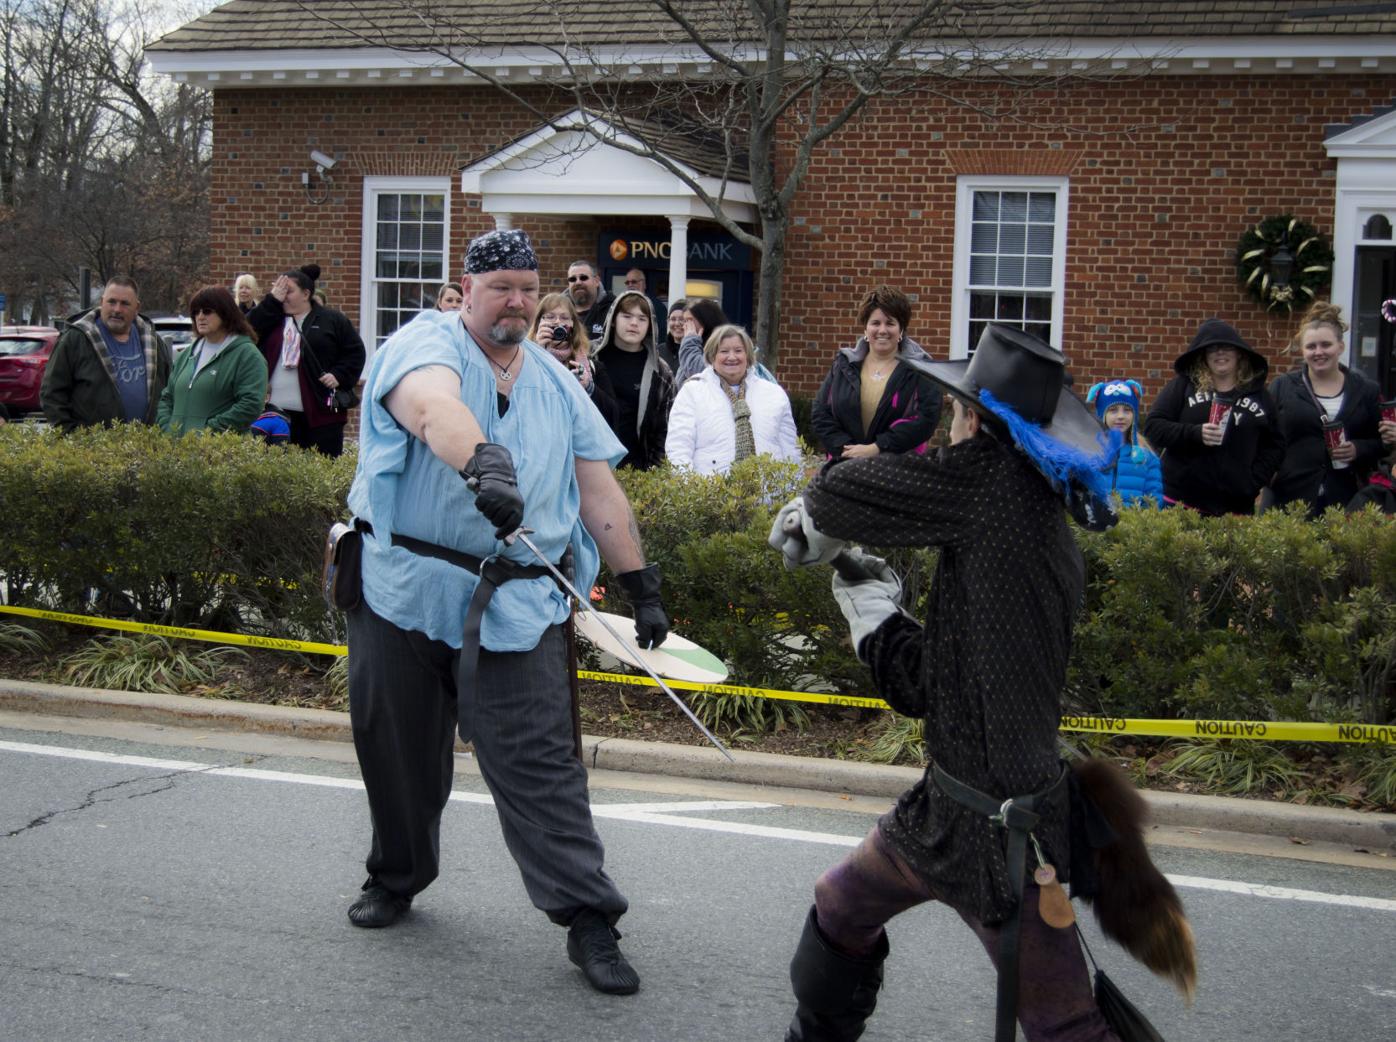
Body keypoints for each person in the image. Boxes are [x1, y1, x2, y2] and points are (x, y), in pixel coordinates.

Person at [770, 324, 1194, 1042]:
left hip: (1005, 827)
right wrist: (875, 612)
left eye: (953, 414)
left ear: (977, 420)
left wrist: (812, 519)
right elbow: (933, 685)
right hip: (945, 805)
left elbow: (842, 489)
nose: (945, 430)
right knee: (839, 905)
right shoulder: (1021, 500)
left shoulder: (990, 482)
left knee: (1063, 1022)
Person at [343, 228, 669, 997]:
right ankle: (396, 877)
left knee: (542, 767)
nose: (517, 301)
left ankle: (590, 918)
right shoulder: (423, 345)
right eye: (500, 288)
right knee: (396, 754)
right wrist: (482, 460)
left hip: (517, 607)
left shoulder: (558, 384)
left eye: (528, 287)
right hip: (404, 592)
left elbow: (597, 490)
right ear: (467, 289)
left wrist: (640, 581)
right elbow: (431, 408)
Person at [1142, 318, 1284, 515]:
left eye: (1227, 347)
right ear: (1203, 356)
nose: (1220, 352)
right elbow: (1153, 427)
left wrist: (1252, 481)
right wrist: (1195, 433)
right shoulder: (1184, 386)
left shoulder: (1259, 395)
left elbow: (1275, 444)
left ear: (1239, 354)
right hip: (1181, 503)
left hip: (1236, 508)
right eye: (1212, 348)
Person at [1268, 302, 1382, 516]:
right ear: (1302, 351)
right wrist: (1267, 475)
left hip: (1347, 502)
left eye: (1326, 345)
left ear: (1340, 346)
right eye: (1311, 347)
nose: (1318, 352)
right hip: (1289, 501)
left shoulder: (1366, 390)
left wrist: (1358, 448)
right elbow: (1263, 436)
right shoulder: (1282, 387)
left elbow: (1382, 443)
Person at [809, 286, 942, 462]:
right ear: (865, 328)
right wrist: (847, 451)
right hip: (843, 466)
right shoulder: (843, 364)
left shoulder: (922, 370)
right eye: (875, 323)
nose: (882, 330)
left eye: (890, 323)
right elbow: (820, 413)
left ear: (901, 329)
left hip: (897, 471)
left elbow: (926, 420)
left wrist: (876, 448)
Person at [246, 263, 365, 456]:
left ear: (306, 294)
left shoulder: (331, 320)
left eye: (289, 290)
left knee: (320, 470)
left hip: (320, 416)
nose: (282, 294)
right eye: (279, 289)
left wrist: (339, 374)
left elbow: (355, 352)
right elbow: (247, 328)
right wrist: (271, 301)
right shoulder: (271, 318)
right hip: (276, 414)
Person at [40, 275, 172, 431]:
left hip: (145, 448)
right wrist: (70, 436)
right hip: (92, 450)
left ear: (137, 308)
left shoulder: (154, 343)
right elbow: (51, 394)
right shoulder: (76, 339)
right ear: (102, 302)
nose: (117, 309)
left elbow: (170, 394)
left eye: (125, 304)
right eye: (112, 302)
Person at [665, 324, 800, 474]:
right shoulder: (692, 392)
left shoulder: (774, 394)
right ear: (712, 356)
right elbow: (679, 447)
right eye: (724, 351)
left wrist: (791, 490)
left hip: (768, 494)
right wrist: (688, 489)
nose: (732, 357)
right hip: (709, 493)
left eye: (738, 351)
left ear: (748, 356)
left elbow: (790, 450)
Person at [157, 287, 267, 435]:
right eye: (196, 312)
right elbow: (167, 397)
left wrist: (208, 432)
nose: (200, 316)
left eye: (207, 311)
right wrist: (168, 428)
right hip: (178, 451)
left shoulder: (247, 355)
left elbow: (251, 405)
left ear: (225, 313)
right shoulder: (186, 355)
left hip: (219, 453)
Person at [590, 290, 674, 469]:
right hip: (589, 464)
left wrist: (654, 474)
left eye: (642, 319)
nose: (634, 323)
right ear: (613, 319)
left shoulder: (660, 371)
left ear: (650, 326)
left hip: (636, 471)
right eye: (627, 316)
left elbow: (664, 430)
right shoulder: (589, 356)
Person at [529, 291, 620, 430]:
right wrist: (538, 352)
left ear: (573, 325)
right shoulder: (524, 361)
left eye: (564, 317)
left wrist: (590, 388)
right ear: (538, 324)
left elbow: (613, 415)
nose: (558, 322)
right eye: (550, 317)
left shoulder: (591, 367)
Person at [1085, 378, 1165, 507]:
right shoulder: (1087, 453)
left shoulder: (1147, 458)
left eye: (1127, 410)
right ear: (1102, 415)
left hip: (1132, 526)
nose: (1121, 416)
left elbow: (1154, 502)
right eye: (1113, 410)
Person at [567, 260, 616, 341]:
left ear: (596, 281)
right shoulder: (558, 310)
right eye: (573, 279)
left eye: (583, 277)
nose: (578, 282)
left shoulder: (613, 310)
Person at [623, 267, 667, 333]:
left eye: (634, 282)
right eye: (627, 283)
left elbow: (662, 332)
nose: (630, 285)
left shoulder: (657, 306)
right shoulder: (623, 304)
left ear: (644, 284)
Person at [659, 296, 687, 372]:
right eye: (673, 319)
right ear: (668, 321)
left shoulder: (697, 352)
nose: (677, 323)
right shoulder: (658, 351)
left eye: (682, 319)